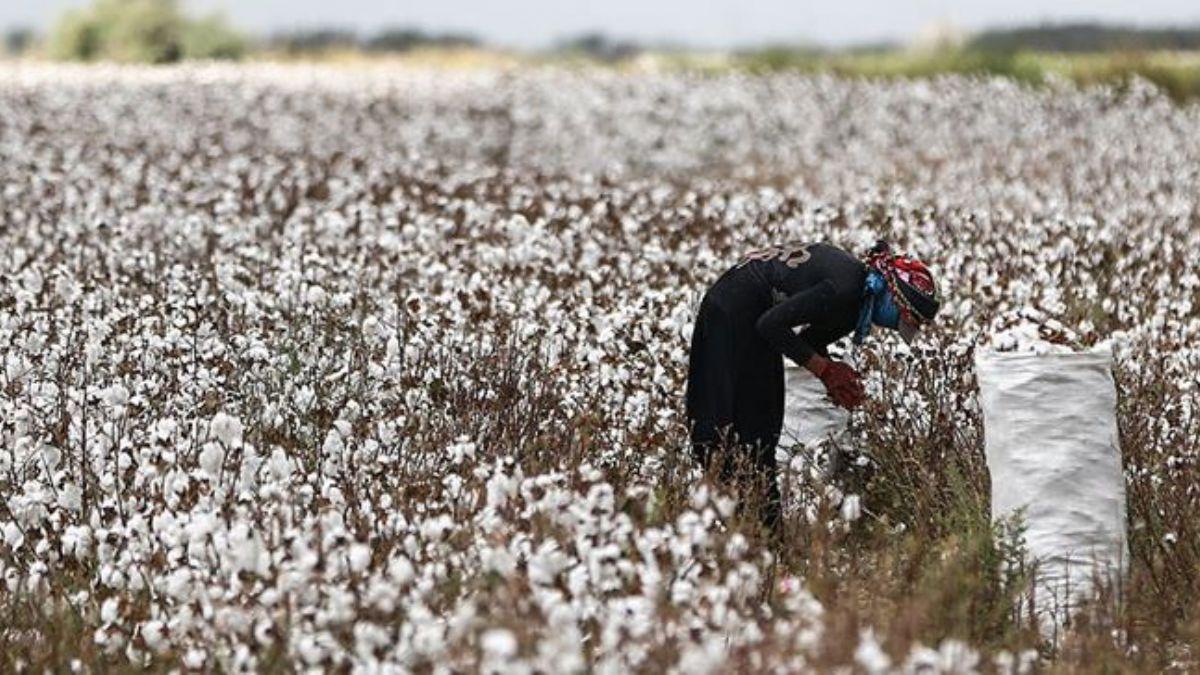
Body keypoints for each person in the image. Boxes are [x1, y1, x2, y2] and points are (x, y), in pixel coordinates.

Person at [684, 240, 940, 530]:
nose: (898, 327)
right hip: (731, 312)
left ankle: (759, 530)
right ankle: (739, 525)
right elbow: (770, 325)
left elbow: (808, 342)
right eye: (905, 318)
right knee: (735, 427)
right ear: (893, 296)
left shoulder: (852, 301)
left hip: (748, 316)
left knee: (762, 430)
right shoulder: (845, 288)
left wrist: (833, 379)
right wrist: (827, 371)